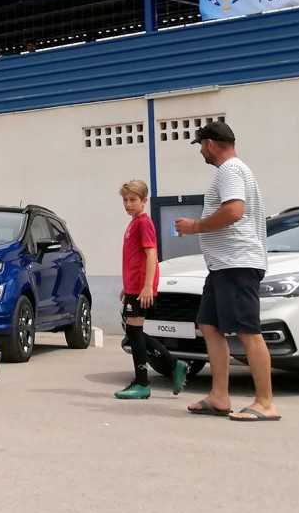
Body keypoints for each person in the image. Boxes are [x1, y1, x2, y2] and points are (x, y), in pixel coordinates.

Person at [175, 121, 279, 422]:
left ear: (209, 144)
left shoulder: (230, 171)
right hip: (223, 265)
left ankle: (265, 403)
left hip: (237, 263)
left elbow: (234, 210)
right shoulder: (235, 170)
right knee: (209, 325)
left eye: (201, 146)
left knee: (248, 331)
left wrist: (196, 226)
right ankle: (219, 397)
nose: (201, 152)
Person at [115, 180, 186, 400]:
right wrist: (127, 287)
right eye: (125, 200)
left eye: (133, 200)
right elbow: (133, 259)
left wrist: (147, 286)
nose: (128, 204)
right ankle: (173, 365)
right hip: (133, 287)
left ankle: (143, 382)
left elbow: (151, 254)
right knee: (133, 332)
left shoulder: (144, 223)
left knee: (134, 332)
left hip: (141, 287)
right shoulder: (133, 223)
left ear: (144, 200)